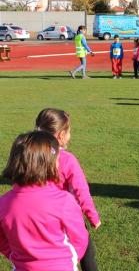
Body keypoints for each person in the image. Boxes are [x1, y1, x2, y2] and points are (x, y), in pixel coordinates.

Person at [0, 131, 89, 271]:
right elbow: (80, 237)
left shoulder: (3, 203)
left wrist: (12, 254)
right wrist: (71, 258)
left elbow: (2, 240)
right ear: (49, 165)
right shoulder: (64, 201)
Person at [35, 108, 100, 271]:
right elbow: (81, 191)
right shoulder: (67, 160)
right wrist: (93, 217)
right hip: (67, 216)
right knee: (86, 251)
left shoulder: (32, 156)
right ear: (61, 135)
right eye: (69, 131)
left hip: (38, 217)